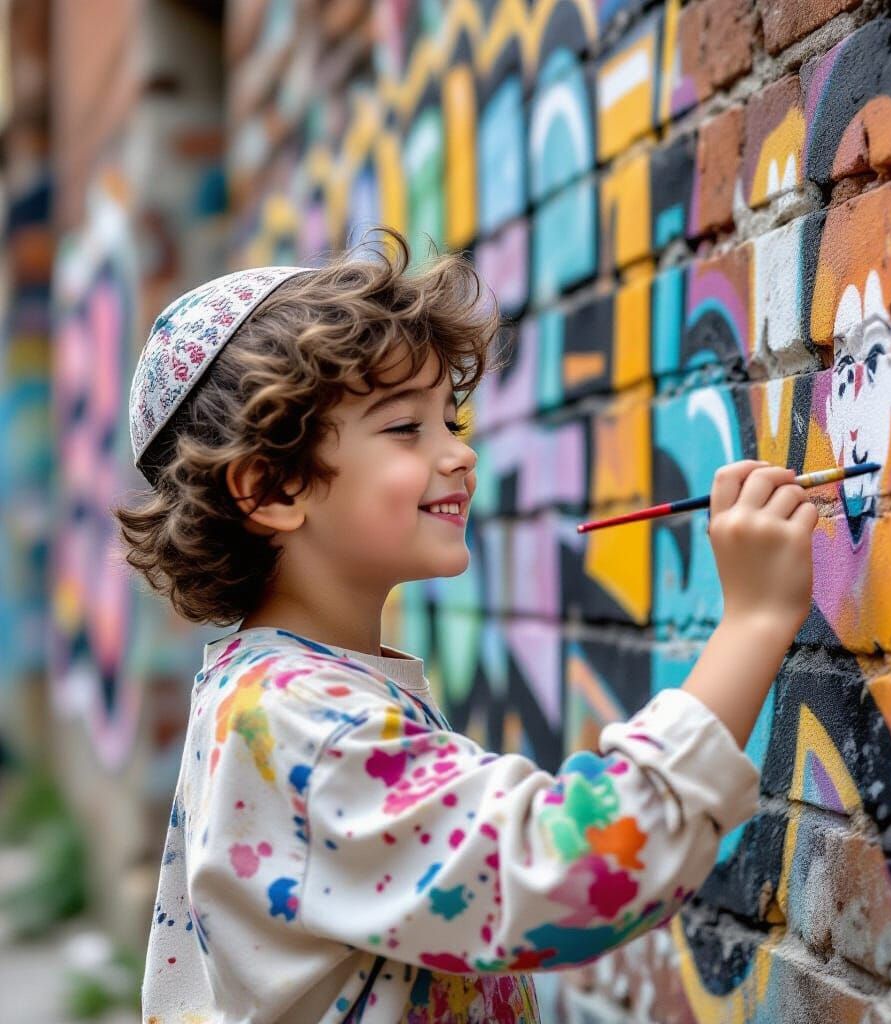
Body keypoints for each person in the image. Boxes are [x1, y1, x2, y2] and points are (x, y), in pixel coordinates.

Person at [116, 227, 818, 1023]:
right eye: (404, 428)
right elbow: (578, 869)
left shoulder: (279, 691)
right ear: (272, 488)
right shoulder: (304, 725)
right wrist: (754, 623)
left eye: (448, 420)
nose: (459, 455)